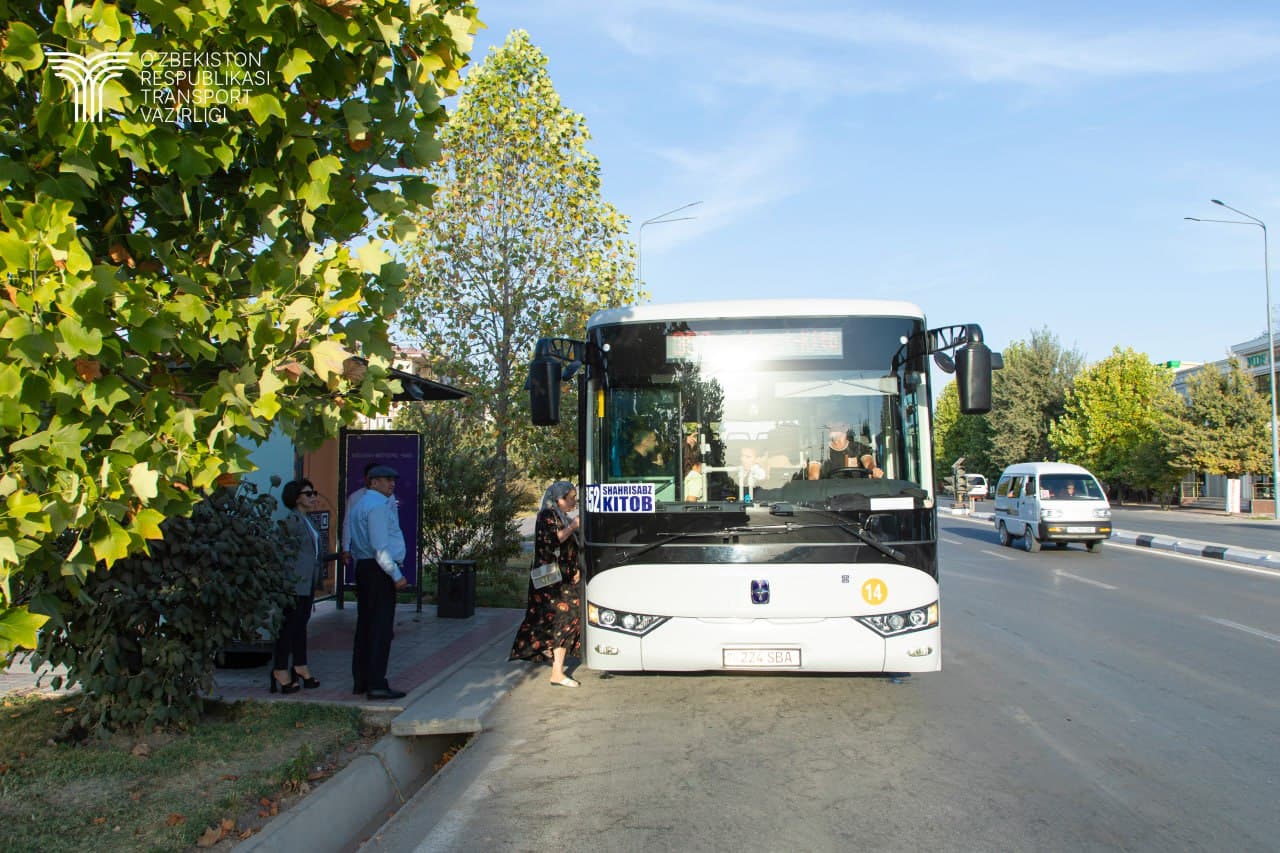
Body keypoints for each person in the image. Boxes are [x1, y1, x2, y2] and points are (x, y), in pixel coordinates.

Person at [509, 481, 584, 687]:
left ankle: (555, 662)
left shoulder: (561, 516)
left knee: (560, 617)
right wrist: (573, 527)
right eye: (571, 498)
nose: (574, 502)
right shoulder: (546, 516)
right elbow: (552, 541)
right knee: (563, 616)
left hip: (565, 576)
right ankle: (556, 670)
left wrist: (576, 568)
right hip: (550, 578)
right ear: (558, 499)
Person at [348, 464, 410, 700]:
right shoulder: (376, 507)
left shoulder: (362, 504)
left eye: (392, 479)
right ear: (372, 482)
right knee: (380, 629)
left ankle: (361, 680)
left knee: (365, 626)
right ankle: (376, 683)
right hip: (378, 570)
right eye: (385, 480)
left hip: (365, 567)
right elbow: (380, 547)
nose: (391, 483)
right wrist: (395, 575)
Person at [271, 479, 324, 695]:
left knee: (300, 625)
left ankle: (300, 665)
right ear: (296, 498)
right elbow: (279, 551)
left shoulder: (306, 520)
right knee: (289, 627)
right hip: (293, 583)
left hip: (306, 582)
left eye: (314, 493)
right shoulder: (290, 521)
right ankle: (280, 669)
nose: (313, 497)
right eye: (308, 494)